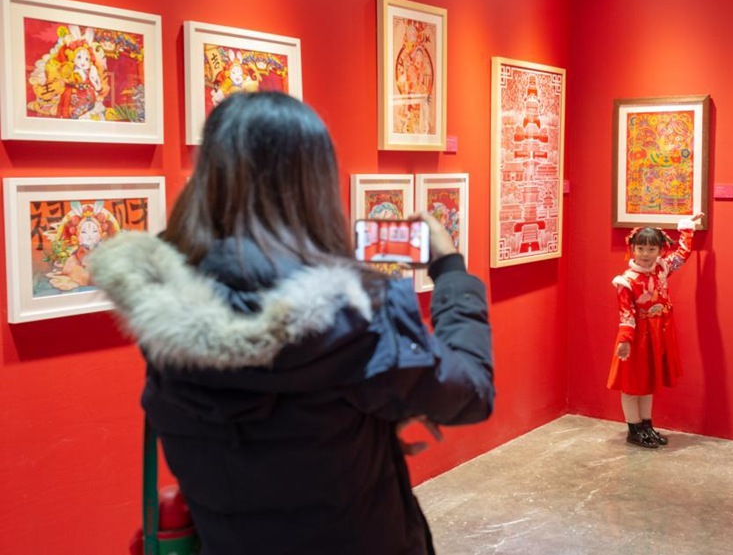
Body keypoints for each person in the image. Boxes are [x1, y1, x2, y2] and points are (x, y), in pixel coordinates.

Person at [86, 91, 495, 554]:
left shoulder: (165, 316)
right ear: (312, 186)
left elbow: (267, 439)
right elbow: (473, 392)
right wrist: (450, 270)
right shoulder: (358, 320)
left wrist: (364, 432)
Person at [607, 213, 703, 449]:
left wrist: (687, 228)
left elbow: (682, 254)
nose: (645, 254)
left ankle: (646, 426)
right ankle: (634, 428)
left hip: (658, 333)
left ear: (660, 250)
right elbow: (626, 313)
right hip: (637, 337)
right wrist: (625, 340)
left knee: (648, 381)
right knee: (632, 384)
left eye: (651, 249)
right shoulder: (626, 281)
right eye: (640, 248)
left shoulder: (661, 268)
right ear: (632, 249)